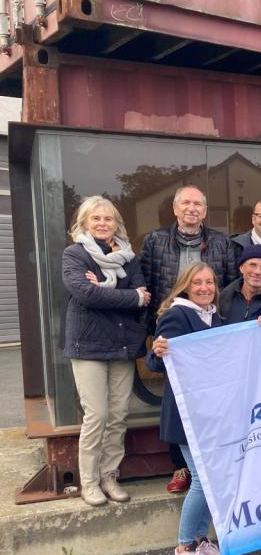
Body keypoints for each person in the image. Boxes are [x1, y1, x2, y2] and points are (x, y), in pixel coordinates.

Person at [139, 185, 235, 495]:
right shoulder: (155, 240)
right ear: (175, 209)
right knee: (177, 395)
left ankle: (205, 463)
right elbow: (147, 282)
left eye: (198, 204)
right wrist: (152, 330)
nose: (192, 208)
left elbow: (228, 282)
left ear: (205, 211)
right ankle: (180, 465)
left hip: (208, 322)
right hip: (175, 322)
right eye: (186, 203)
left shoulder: (221, 242)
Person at [62, 196, 150, 507]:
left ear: (117, 224)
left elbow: (144, 295)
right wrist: (129, 296)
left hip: (122, 344)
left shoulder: (128, 257)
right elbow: (86, 295)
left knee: (118, 415)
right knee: (97, 416)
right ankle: (89, 482)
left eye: (108, 218)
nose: (102, 223)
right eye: (96, 218)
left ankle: (109, 475)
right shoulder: (75, 255)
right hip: (88, 345)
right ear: (84, 223)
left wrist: (104, 289)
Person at [146, 263, 228, 555]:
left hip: (210, 413)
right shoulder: (177, 315)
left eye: (209, 282)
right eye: (197, 283)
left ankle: (199, 538)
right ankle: (185, 546)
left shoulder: (215, 317)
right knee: (202, 480)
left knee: (210, 478)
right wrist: (157, 352)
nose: (204, 288)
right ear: (186, 286)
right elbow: (157, 361)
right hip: (186, 415)